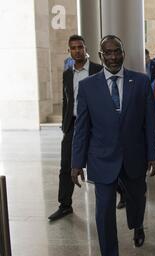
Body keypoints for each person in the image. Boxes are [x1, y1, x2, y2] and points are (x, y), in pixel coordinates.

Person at [71, 35, 155, 256]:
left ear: (123, 52)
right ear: (99, 55)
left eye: (117, 52)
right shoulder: (88, 87)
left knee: (137, 198)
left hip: (134, 155)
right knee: (103, 213)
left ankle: (137, 224)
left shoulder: (140, 82)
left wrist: (153, 153)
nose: (112, 57)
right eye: (107, 53)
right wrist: (76, 162)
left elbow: (150, 121)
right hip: (101, 158)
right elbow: (81, 127)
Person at [48, 35, 103, 222]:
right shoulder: (67, 74)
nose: (77, 50)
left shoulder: (98, 70)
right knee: (66, 166)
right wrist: (65, 126)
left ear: (86, 48)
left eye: (80, 47)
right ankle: (65, 205)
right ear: (69, 51)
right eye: (73, 48)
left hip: (95, 125)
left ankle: (122, 193)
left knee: (104, 162)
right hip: (73, 125)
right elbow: (67, 100)